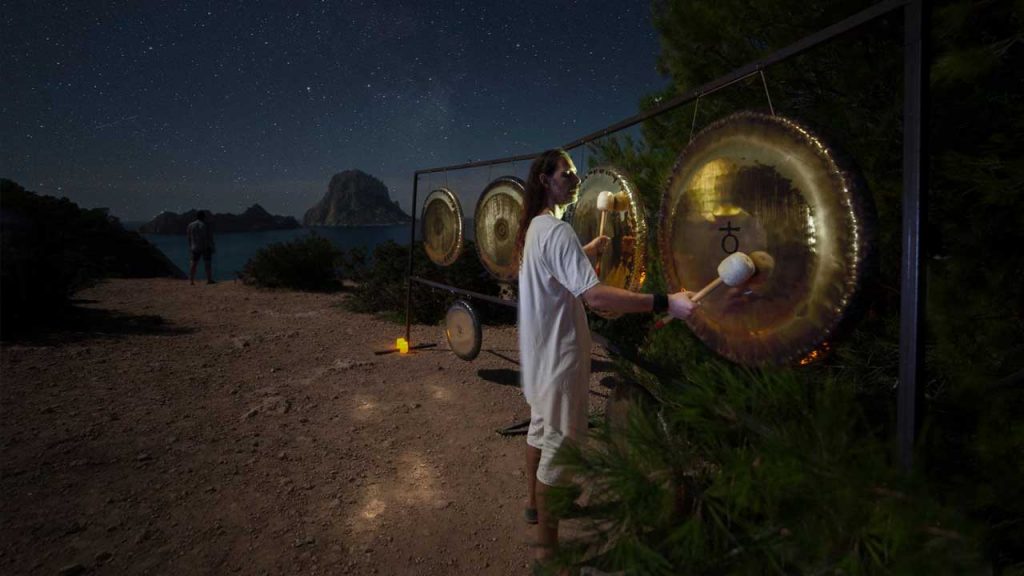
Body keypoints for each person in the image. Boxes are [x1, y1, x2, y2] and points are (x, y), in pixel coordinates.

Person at [515, 149, 696, 567]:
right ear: (546, 180)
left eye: (577, 172)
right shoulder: (556, 233)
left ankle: (531, 506)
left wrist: (589, 251)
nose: (575, 178)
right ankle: (547, 554)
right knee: (559, 457)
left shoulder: (534, 231)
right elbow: (593, 297)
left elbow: (556, 273)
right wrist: (667, 302)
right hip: (560, 363)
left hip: (539, 360)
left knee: (540, 434)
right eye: (567, 173)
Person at [186, 210, 216, 285]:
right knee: (207, 263)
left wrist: (190, 246)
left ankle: (191, 281)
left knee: (193, 263)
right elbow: (209, 237)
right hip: (205, 246)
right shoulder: (205, 225)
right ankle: (209, 280)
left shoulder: (190, 225)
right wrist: (212, 247)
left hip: (195, 247)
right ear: (203, 217)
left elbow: (189, 237)